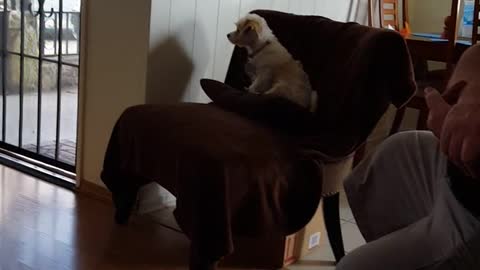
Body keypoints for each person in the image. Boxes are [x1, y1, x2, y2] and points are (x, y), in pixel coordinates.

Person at [336, 44, 480, 270]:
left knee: (351, 266)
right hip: (456, 172)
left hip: (472, 209)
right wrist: (474, 92)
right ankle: (413, 239)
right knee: (396, 152)